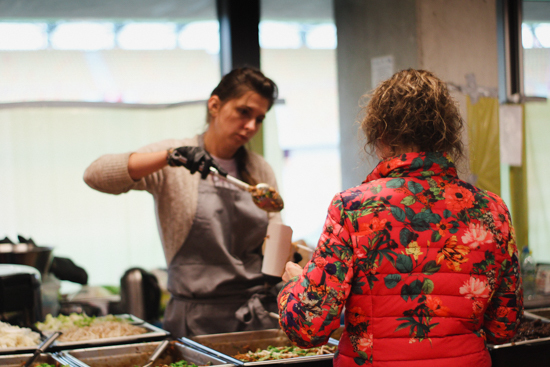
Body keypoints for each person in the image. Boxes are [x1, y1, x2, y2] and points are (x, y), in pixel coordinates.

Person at [277, 69, 522, 366]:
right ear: (447, 137)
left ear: (381, 136)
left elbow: (307, 328)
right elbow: (504, 328)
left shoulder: (353, 208)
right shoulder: (492, 210)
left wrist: (294, 286)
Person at [84, 67, 282, 337]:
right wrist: (170, 157)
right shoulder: (175, 161)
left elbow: (275, 231)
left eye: (259, 119)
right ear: (215, 105)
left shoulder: (260, 170)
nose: (250, 126)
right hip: (195, 321)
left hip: (255, 316)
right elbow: (95, 175)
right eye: (243, 112)